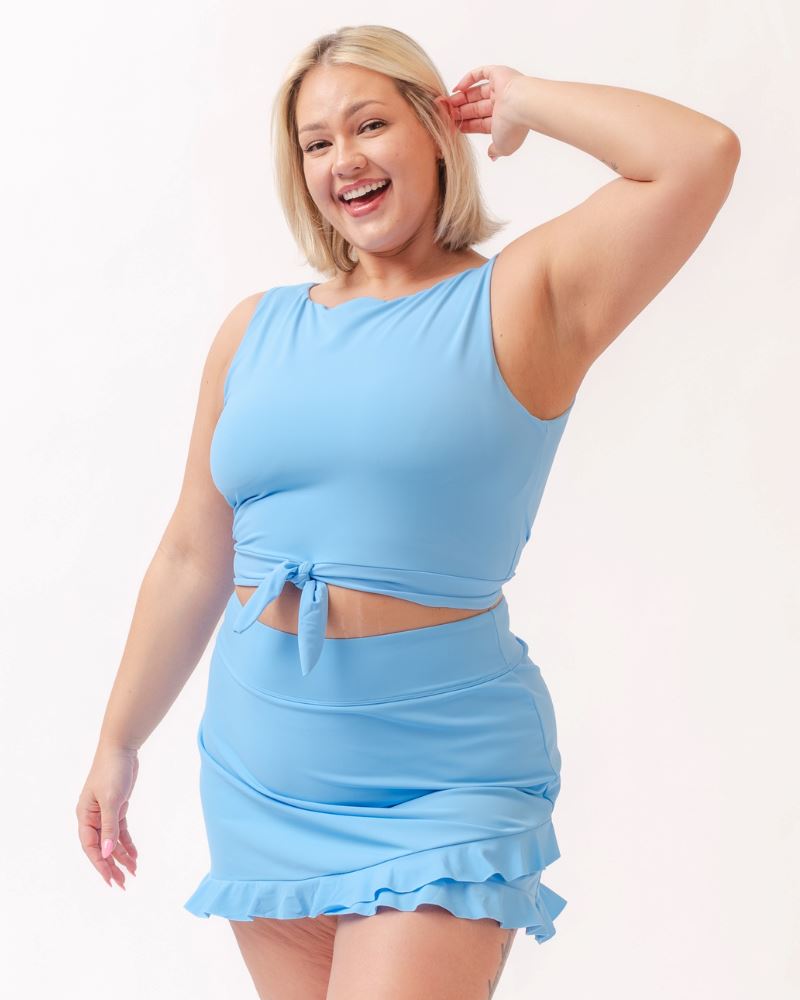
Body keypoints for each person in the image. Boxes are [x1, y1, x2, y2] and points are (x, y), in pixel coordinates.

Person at [75, 24, 740, 1000]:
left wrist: (520, 101)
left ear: (434, 129)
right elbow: (190, 552)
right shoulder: (253, 331)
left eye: (370, 123)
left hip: (439, 783)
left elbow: (696, 156)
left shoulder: (520, 296)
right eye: (314, 141)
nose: (342, 158)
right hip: (264, 774)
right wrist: (118, 738)